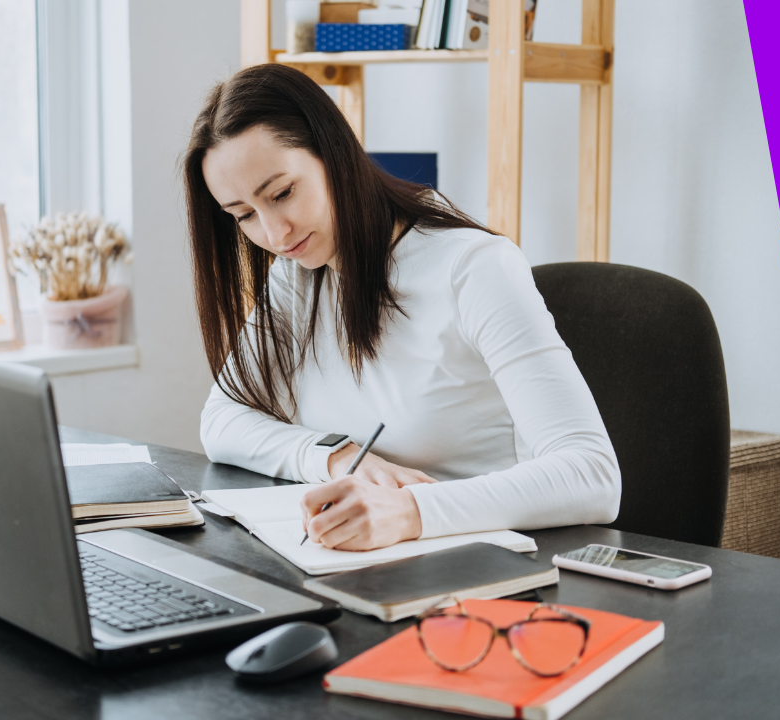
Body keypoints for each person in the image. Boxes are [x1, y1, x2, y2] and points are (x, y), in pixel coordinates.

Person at [184, 64, 620, 552]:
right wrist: (336, 456)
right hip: (367, 561)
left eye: (283, 193)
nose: (274, 233)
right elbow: (221, 421)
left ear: (334, 152)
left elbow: (592, 474)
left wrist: (410, 511)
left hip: (486, 567)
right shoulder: (299, 273)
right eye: (244, 215)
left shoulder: (474, 268)